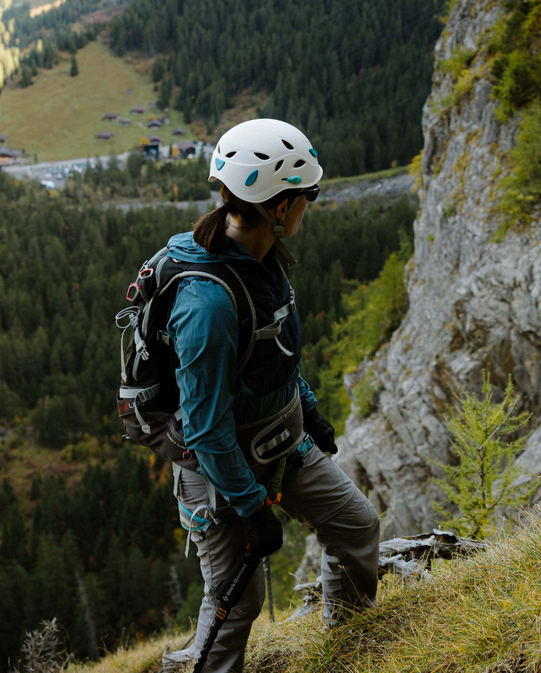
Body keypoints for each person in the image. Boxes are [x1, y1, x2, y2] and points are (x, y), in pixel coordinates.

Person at [160, 119, 380, 673]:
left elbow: (275, 351)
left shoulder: (263, 261)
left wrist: (307, 408)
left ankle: (348, 652)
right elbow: (207, 429)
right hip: (219, 470)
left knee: (356, 525)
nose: (310, 204)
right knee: (239, 605)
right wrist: (253, 509)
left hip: (279, 439)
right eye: (307, 195)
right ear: (279, 209)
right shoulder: (206, 306)